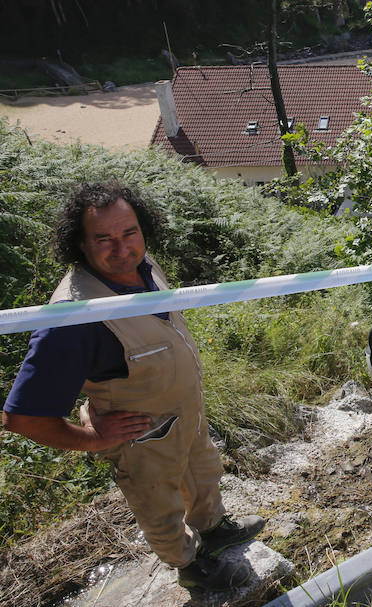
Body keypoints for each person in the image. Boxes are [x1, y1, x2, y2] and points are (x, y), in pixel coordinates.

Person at [2, 182, 264, 591]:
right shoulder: (73, 319)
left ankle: (213, 528)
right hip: (141, 436)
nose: (122, 248)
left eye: (129, 233)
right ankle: (191, 568)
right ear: (80, 244)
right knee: (159, 504)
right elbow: (23, 417)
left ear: (145, 230)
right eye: (103, 238)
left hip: (186, 413)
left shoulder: (146, 268)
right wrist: (91, 439)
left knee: (203, 471)